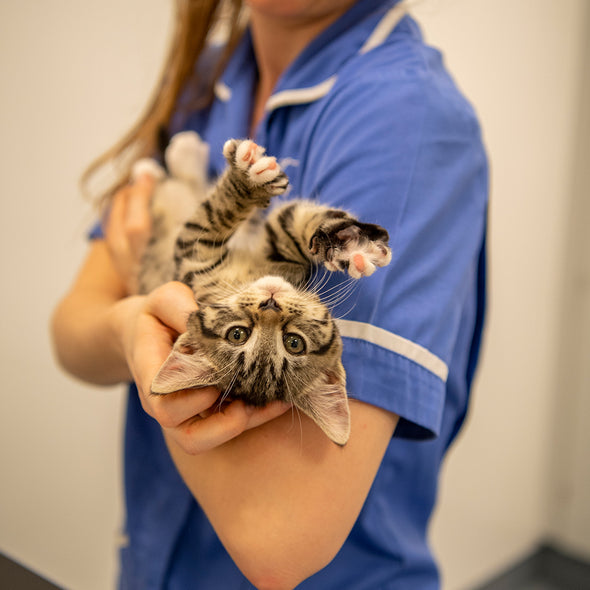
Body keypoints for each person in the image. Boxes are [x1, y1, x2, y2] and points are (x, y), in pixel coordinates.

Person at [51, 0, 488, 588]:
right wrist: (135, 327)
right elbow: (71, 330)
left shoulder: (404, 117)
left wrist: (146, 302)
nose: (272, 310)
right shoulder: (214, 74)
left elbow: (276, 541)